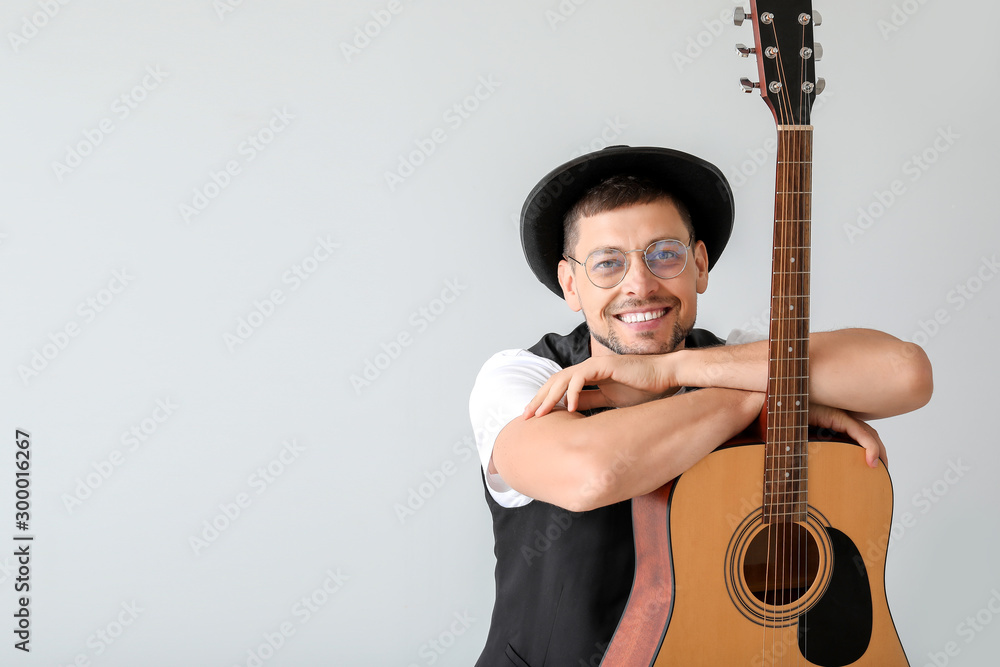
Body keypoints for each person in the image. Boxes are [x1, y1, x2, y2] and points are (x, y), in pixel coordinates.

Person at [468, 146, 932, 667]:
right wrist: (759, 397)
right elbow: (591, 475)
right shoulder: (521, 377)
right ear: (571, 285)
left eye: (665, 253)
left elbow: (904, 374)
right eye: (607, 264)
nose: (640, 284)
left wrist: (675, 369)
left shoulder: (732, 356)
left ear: (700, 266)